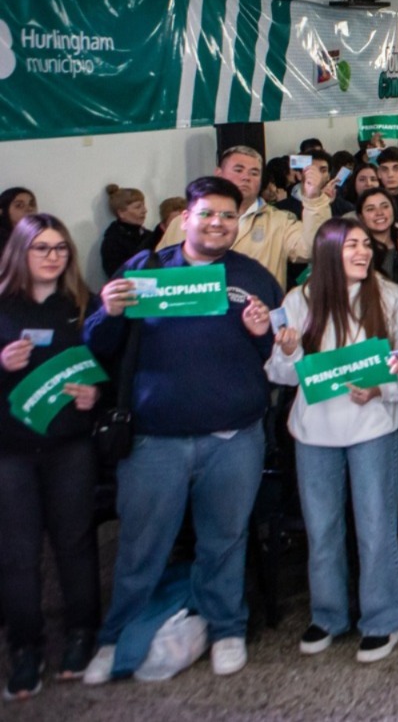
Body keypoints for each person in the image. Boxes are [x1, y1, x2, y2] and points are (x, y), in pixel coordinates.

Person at [83, 176, 285, 683]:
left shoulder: (254, 277)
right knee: (141, 546)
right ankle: (115, 638)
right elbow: (99, 344)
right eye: (207, 214)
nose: (218, 223)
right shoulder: (146, 268)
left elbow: (277, 354)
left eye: (228, 216)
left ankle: (226, 627)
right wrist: (109, 312)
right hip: (156, 439)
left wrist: (264, 334)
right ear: (184, 218)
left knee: (225, 540)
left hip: (233, 438)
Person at [265, 217, 398, 664]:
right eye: (351, 245)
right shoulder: (299, 299)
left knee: (376, 526)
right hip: (315, 431)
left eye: (366, 244)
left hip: (373, 428)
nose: (363, 252)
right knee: (323, 528)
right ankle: (328, 615)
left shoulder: (390, 295)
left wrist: (379, 389)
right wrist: (289, 351)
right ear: (328, 251)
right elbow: (281, 375)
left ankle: (383, 617)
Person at [0, 215, 102, 697]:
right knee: (17, 554)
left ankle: (82, 633)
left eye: (60, 247)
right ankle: (25, 647)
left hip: (70, 446)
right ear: (20, 251)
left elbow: (106, 367)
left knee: (75, 543)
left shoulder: (83, 305)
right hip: (10, 450)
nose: (53, 256)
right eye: (41, 247)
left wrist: (93, 396)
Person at [156, 147, 333, 289]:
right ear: (219, 174)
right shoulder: (185, 222)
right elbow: (158, 273)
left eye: (254, 173)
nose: (246, 177)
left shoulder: (280, 222)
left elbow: (313, 249)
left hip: (257, 316)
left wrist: (314, 200)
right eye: (238, 170)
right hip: (194, 315)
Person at [354, 188, 398, 289]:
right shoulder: (358, 250)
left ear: (393, 209)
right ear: (361, 217)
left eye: (385, 206)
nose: (379, 213)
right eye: (370, 209)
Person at [101, 184, 156, 280]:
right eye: (138, 207)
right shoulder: (112, 241)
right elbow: (117, 275)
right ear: (121, 213)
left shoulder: (149, 235)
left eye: (143, 205)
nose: (145, 210)